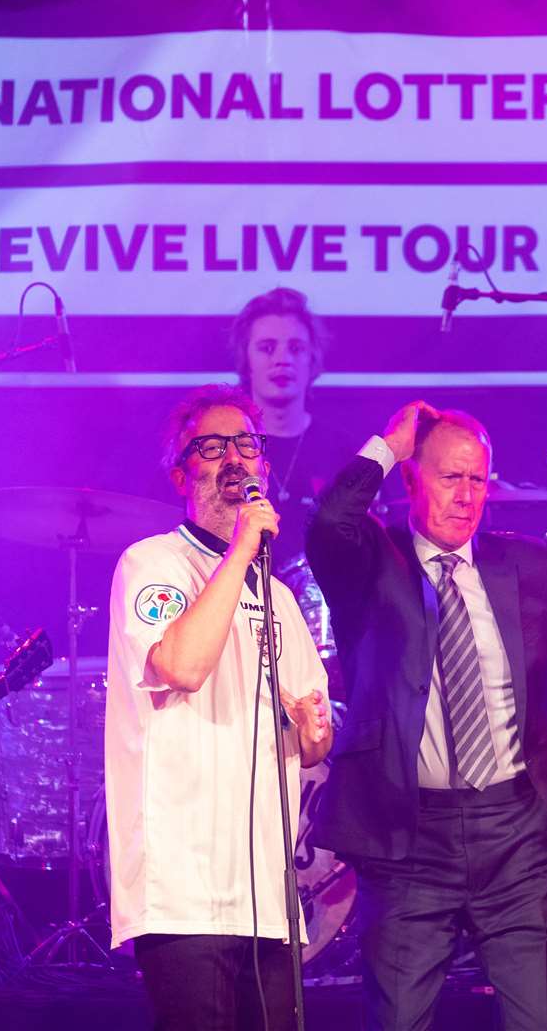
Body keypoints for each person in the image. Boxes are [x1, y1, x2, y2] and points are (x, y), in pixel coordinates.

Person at [304, 400, 547, 1031]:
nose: (466, 495)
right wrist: (389, 444)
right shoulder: (372, 561)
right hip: (407, 838)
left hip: (519, 833)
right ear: (410, 479)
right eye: (449, 477)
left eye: (478, 479)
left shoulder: (527, 564)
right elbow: (327, 526)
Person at [105, 384, 333, 1031]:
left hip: (265, 897)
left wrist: (316, 729)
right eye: (212, 446)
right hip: (184, 893)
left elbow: (313, 736)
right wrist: (241, 548)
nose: (234, 458)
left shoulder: (282, 599)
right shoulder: (153, 564)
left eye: (247, 445)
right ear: (182, 472)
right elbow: (180, 665)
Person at [230, 287, 352, 565]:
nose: (282, 359)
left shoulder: (345, 453)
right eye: (267, 348)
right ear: (246, 359)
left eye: (296, 348)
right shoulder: (226, 451)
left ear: (312, 360)